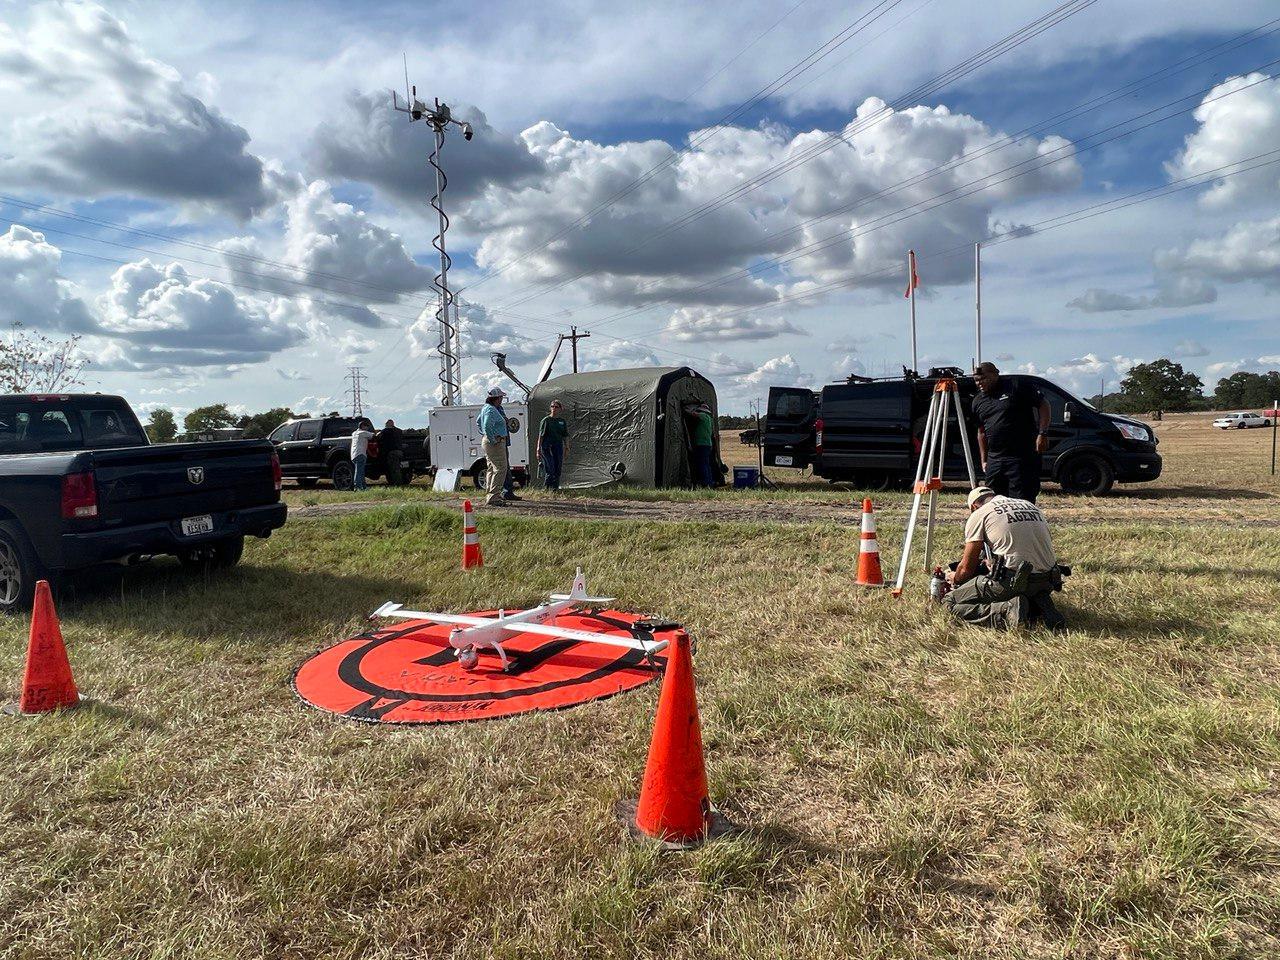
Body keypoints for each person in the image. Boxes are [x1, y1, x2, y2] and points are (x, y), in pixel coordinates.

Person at [944, 486, 1067, 630]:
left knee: (949, 602)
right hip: (1048, 580)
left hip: (1014, 581)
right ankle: (1037, 604)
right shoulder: (1029, 506)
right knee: (1026, 590)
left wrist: (955, 578)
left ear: (973, 506)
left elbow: (965, 570)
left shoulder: (979, 514)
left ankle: (1006, 610)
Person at [970, 361, 1051, 502]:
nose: (979, 383)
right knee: (993, 502)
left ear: (995, 374)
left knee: (1022, 502)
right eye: (976, 380)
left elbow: (1043, 404)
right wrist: (984, 460)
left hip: (1021, 457)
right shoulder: (978, 401)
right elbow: (981, 431)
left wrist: (1042, 433)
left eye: (983, 378)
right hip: (995, 459)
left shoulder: (1015, 386)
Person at [477, 388, 510, 507]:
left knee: (491, 467)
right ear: (497, 398)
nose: (501, 399)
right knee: (501, 468)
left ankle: (490, 493)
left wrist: (485, 435)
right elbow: (486, 424)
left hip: (488, 441)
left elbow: (478, 422)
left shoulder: (486, 408)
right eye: (501, 397)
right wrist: (493, 439)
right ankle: (494, 496)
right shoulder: (491, 410)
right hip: (495, 441)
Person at [538, 399, 570, 490]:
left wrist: (567, 447)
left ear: (560, 409)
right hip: (547, 447)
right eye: (552, 406)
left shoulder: (562, 421)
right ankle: (546, 488)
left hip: (558, 446)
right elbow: (541, 435)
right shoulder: (546, 420)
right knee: (550, 468)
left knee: (557, 467)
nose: (554, 408)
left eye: (556, 407)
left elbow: (565, 435)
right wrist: (538, 449)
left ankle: (555, 489)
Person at [690, 403, 716, 488]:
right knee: (706, 464)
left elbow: (693, 414)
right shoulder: (710, 419)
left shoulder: (703, 416)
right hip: (708, 444)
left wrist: (690, 410)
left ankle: (705, 483)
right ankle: (710, 482)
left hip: (701, 443)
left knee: (702, 464)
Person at [350, 418, 374, 491]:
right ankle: (357, 487)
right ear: (363, 426)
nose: (367, 428)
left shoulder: (354, 433)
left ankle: (363, 487)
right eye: (366, 426)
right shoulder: (363, 433)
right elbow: (373, 436)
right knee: (359, 471)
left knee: (361, 471)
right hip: (360, 453)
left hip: (354, 454)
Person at [378, 419, 404, 484]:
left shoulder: (384, 432)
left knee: (394, 469)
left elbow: (379, 439)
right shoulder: (399, 431)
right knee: (397, 468)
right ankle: (399, 481)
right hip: (400, 452)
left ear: (387, 424)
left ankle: (397, 482)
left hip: (391, 453)